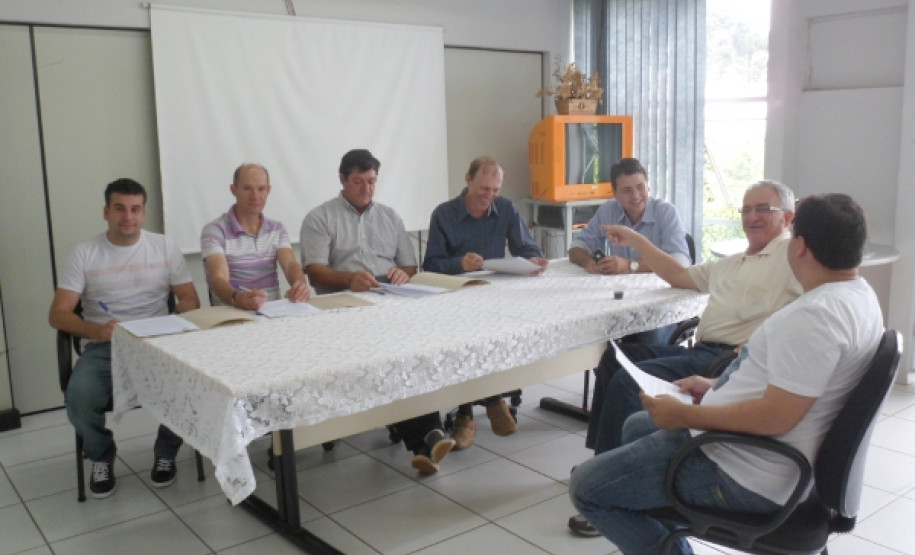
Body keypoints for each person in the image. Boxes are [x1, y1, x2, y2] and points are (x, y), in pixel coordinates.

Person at [569, 193, 882, 554]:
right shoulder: (858, 297)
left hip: (743, 472)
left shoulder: (814, 318)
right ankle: (655, 514)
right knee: (636, 425)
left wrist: (688, 414)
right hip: (765, 455)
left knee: (586, 489)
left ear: (799, 246)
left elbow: (777, 417)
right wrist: (717, 385)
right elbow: (798, 386)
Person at [568, 180, 804, 536]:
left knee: (625, 379)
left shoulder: (791, 259)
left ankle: (608, 482)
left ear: (787, 217)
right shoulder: (734, 262)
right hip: (700, 351)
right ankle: (606, 460)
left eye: (763, 209)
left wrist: (758, 345)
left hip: (726, 361)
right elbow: (678, 274)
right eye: (746, 209)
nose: (751, 216)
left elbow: (804, 310)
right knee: (613, 359)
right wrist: (636, 241)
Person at [300, 149, 454, 474]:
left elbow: (409, 264)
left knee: (415, 351)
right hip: (344, 306)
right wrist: (348, 279)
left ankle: (425, 437)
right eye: (359, 182)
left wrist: (402, 274)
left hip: (391, 299)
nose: (366, 189)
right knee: (393, 354)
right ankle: (427, 433)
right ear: (342, 180)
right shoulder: (320, 217)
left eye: (371, 182)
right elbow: (315, 273)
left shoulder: (390, 216)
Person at [48, 178, 201, 498]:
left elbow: (189, 299)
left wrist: (174, 321)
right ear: (106, 212)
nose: (128, 216)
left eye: (135, 209)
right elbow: (58, 315)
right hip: (105, 346)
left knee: (191, 385)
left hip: (157, 343)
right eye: (120, 209)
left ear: (144, 213)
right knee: (80, 396)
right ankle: (101, 455)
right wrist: (96, 330)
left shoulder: (163, 246)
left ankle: (166, 453)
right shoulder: (85, 253)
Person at [423, 156, 548, 449]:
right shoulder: (443, 214)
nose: (489, 197)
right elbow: (429, 265)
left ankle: (493, 399)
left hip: (492, 295)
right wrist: (459, 263)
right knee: (463, 344)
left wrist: (533, 258)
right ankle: (465, 414)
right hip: (454, 299)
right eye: (484, 189)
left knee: (498, 337)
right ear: (468, 179)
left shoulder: (504, 208)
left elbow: (525, 245)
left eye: (495, 190)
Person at [568, 157, 691, 344]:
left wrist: (629, 266)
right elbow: (577, 247)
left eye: (641, 187)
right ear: (615, 193)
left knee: (646, 341)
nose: (636, 196)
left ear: (648, 186)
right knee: (588, 330)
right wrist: (588, 262)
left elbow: (680, 262)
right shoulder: (608, 211)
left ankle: (643, 371)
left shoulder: (666, 212)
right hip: (622, 300)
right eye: (627, 190)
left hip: (661, 303)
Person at [201, 163, 311, 309]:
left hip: (272, 311)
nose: (255, 196)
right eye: (247, 188)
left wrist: (300, 286)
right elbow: (218, 278)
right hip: (232, 311)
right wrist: (238, 297)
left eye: (261, 189)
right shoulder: (215, 230)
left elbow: (291, 265)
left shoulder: (276, 229)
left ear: (269, 191)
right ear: (234, 190)